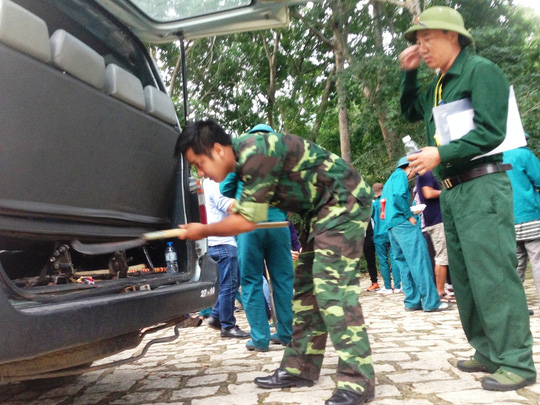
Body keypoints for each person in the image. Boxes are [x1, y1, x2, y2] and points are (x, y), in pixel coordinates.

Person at [175, 120, 375, 405]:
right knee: (306, 291)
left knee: (333, 289)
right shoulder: (242, 164)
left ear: (217, 150)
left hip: (344, 202)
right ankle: (299, 369)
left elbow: (246, 221)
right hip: (322, 211)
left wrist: (203, 230)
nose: (200, 173)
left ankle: (359, 382)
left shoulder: (256, 151)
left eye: (199, 163)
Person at [399, 6, 536, 391]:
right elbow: (410, 110)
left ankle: (517, 362)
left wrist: (440, 154)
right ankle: (487, 351)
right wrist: (408, 73)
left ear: (453, 36)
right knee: (465, 275)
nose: (421, 47)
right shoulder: (438, 85)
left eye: (427, 39)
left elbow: (493, 130)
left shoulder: (480, 71)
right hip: (455, 191)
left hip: (483, 185)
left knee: (493, 274)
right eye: (416, 41)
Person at [220, 124, 294, 353]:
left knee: (251, 280)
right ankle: (286, 334)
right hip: (278, 222)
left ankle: (260, 339)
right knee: (282, 279)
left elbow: (225, 188)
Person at [382, 157, 448, 312]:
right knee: (420, 261)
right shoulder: (400, 176)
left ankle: (412, 301)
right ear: (409, 167)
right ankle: (431, 302)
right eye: (415, 170)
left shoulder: (389, 181)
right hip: (404, 224)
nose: (415, 175)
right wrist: (409, 215)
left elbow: (387, 203)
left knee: (404, 264)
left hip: (392, 227)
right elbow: (399, 196)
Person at [202, 178, 250, 339]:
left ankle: (216, 316)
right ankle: (228, 326)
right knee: (229, 286)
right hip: (223, 242)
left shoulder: (203, 183)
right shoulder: (216, 185)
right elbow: (228, 206)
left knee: (228, 284)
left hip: (211, 242)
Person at [503, 144, 540, 310]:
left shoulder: (497, 157)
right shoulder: (523, 155)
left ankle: (514, 305)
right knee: (537, 259)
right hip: (530, 213)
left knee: (515, 263)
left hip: (508, 217)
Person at [415, 171, 453, 303]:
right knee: (442, 257)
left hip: (432, 220)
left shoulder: (420, 176)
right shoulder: (426, 174)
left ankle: (443, 290)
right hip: (436, 220)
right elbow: (429, 193)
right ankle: (440, 292)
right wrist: (448, 191)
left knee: (442, 256)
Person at [371, 182, 401, 294]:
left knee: (383, 261)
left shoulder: (374, 205)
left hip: (379, 235)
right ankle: (398, 286)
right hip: (391, 231)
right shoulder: (390, 202)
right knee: (395, 258)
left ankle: (388, 287)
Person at [364, 221, 380, 292]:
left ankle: (388, 282)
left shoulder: (374, 210)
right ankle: (374, 282)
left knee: (383, 259)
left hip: (377, 235)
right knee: (370, 260)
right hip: (366, 237)